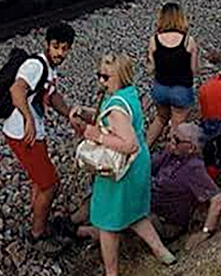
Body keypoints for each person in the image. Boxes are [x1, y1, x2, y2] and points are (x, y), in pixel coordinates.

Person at [75, 54, 177, 275]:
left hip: (119, 169)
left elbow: (128, 144)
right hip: (138, 166)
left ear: (120, 76)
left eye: (105, 76)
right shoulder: (127, 94)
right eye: (99, 75)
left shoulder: (116, 109)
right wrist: (85, 112)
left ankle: (111, 273)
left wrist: (96, 136)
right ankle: (162, 252)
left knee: (107, 222)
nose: (101, 81)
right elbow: (109, 118)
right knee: (135, 213)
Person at [2, 23, 77, 255]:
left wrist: (70, 115)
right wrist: (29, 120)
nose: (60, 53)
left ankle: (37, 222)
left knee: (39, 180)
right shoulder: (35, 65)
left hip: (33, 133)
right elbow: (17, 90)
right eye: (56, 47)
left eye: (65, 49)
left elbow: (52, 96)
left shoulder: (49, 68)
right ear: (47, 44)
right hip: (23, 134)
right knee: (50, 184)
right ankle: (38, 234)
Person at [150, 123, 221, 251]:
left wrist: (205, 232)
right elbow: (146, 167)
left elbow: (218, 199)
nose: (171, 141)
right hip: (148, 200)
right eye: (172, 136)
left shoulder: (193, 168)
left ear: (191, 148)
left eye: (177, 139)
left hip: (164, 222)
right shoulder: (172, 153)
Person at [145, 3, 199, 148]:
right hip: (181, 90)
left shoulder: (154, 40)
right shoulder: (189, 41)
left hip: (160, 88)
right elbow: (194, 69)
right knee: (177, 127)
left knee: (160, 119)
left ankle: (143, 150)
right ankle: (172, 158)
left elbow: (150, 69)